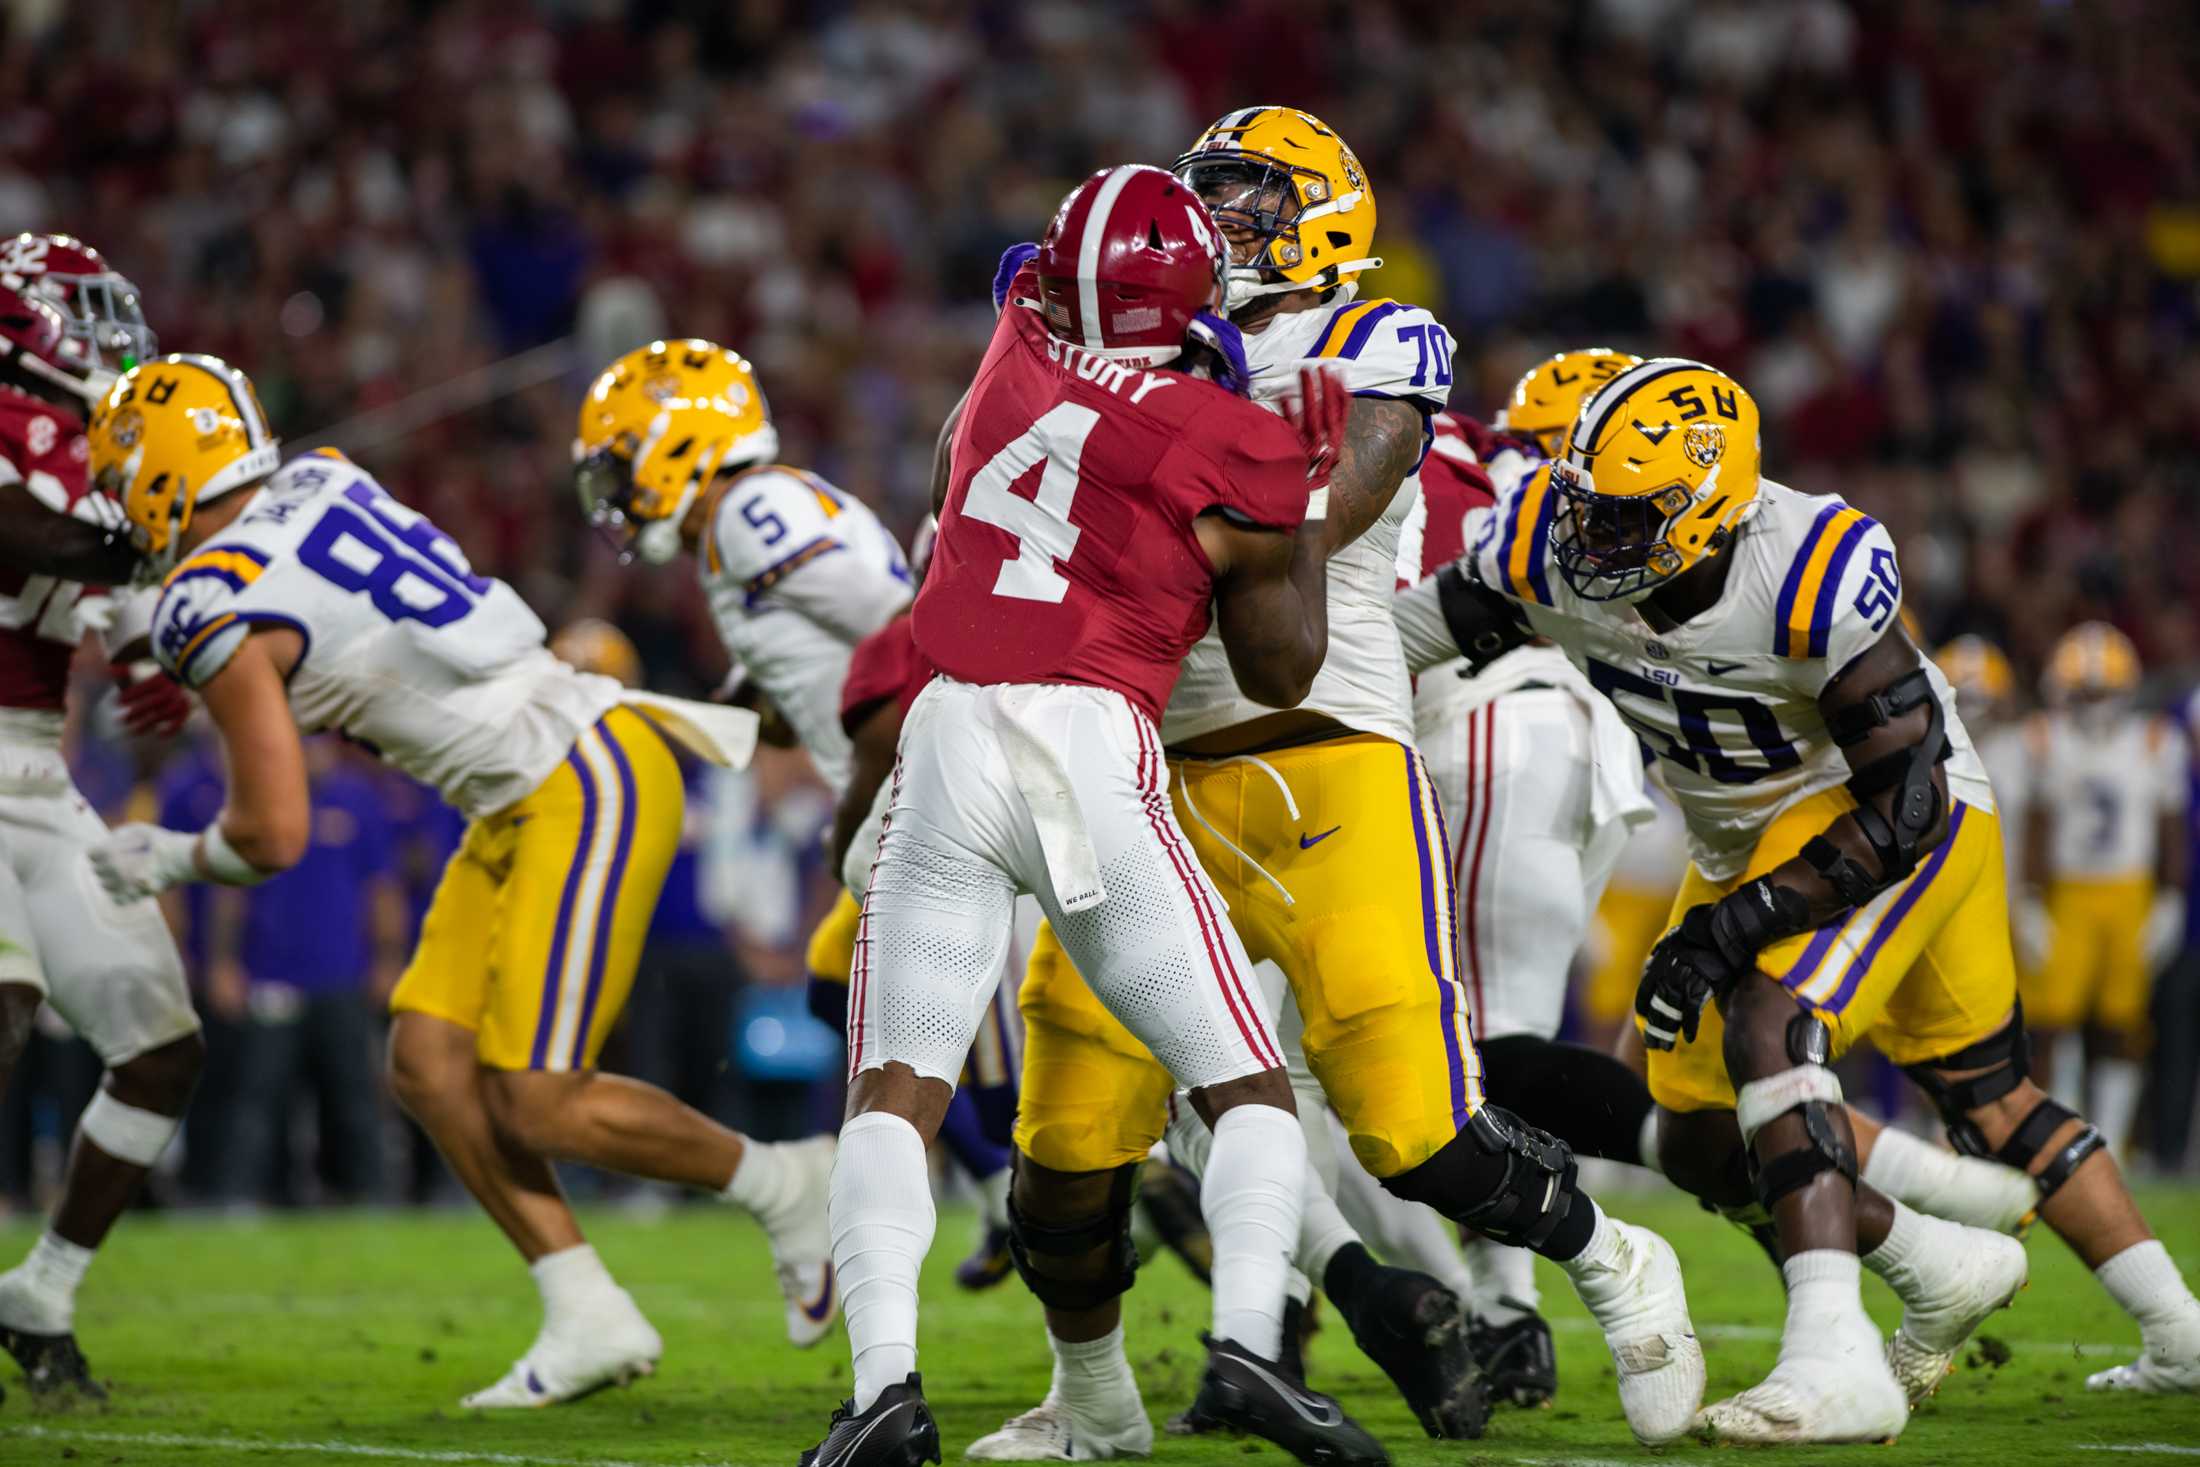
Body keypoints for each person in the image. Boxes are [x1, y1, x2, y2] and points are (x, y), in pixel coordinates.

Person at [1397, 356, 2200, 1434]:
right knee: (1723, 1133)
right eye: (1587, 506)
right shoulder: (1549, 543)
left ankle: (1838, 1355)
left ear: (1707, 510)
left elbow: (1904, 802)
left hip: (1892, 821)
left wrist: (1731, 930)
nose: (1591, 538)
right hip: (1740, 837)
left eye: (1626, 518)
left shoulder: (1806, 566)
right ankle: (2143, 1320)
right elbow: (1399, 640)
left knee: (1772, 1022)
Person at [80, 352, 835, 1409]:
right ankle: (585, 1310)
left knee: (539, 1099)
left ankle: (787, 1183)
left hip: (581, 774)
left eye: (121, 480)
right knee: (429, 1060)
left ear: (156, 476)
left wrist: (167, 856)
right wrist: (146, 631)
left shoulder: (205, 606)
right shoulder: (322, 477)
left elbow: (272, 832)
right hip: (526, 779)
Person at [804, 162, 1384, 1467]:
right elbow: (1283, 666)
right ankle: (1243, 1346)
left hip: (949, 725)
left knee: (894, 1086)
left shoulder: (1014, 333)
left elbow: (1024, 352)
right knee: (1241, 1080)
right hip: (1093, 736)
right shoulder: (1225, 432)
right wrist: (1294, 502)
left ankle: (885, 1395)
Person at [570, 350, 1021, 1285]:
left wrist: (864, 803)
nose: (618, 492)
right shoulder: (751, 517)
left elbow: (903, 625)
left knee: (936, 1039)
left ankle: (1034, 1198)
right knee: (854, 1000)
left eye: (624, 462)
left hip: (920, 795)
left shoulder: (748, 511)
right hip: (909, 791)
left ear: (680, 442)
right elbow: (815, 661)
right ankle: (1005, 1191)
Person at [0, 244, 202, 1402]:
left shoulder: (96, 453)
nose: (109, 337)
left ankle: (41, 1291)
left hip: (36, 769)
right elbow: (24, 530)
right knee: (6, 1005)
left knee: (163, 1050)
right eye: (85, 316)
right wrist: (135, 539)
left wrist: (146, 662)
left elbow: (116, 598)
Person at [2015, 623, 2187, 1156]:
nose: (2092, 705)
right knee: (2051, 1022)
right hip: (2068, 892)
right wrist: (2028, 896)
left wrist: (2170, 897)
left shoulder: (2156, 741)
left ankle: (2108, 1143)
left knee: (2122, 1024)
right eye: (2084, 693)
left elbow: (2171, 827)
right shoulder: (2045, 740)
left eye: (2102, 692)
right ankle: (2061, 1137)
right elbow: (2035, 823)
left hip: (2128, 891)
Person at [212, 737, 402, 1205]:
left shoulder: (357, 799)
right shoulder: (257, 801)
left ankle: (371, 1197)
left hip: (342, 974)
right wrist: (224, 962)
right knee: (258, 1097)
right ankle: (242, 1198)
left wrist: (387, 961)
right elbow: (230, 891)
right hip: (271, 973)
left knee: (354, 1096)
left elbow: (381, 890)